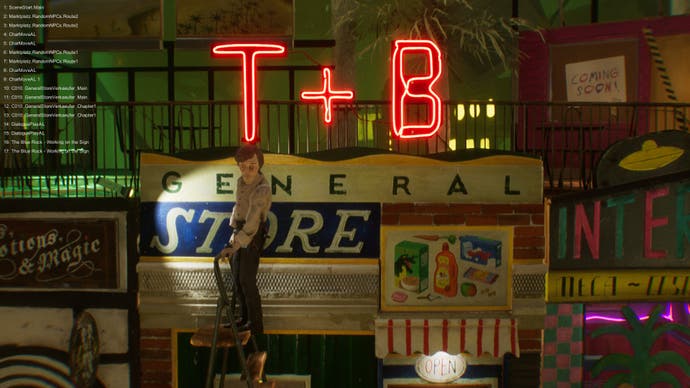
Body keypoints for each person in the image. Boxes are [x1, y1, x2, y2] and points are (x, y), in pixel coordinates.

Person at [218, 144, 271, 334]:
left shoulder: (262, 188)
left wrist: (235, 245)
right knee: (237, 279)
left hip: (253, 235)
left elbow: (252, 220)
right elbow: (238, 208)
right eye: (243, 166)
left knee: (247, 280)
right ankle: (244, 318)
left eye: (252, 166)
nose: (247, 171)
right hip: (240, 232)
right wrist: (233, 238)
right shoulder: (241, 182)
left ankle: (255, 325)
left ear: (259, 166)